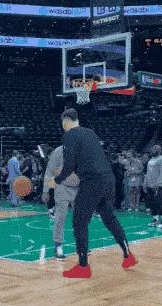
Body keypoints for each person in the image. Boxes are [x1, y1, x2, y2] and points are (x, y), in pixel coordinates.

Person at [50, 108, 137, 278]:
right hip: (108, 179)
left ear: (65, 122)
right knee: (109, 218)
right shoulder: (91, 133)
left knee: (79, 221)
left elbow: (69, 165)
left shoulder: (69, 135)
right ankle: (128, 255)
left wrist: (57, 180)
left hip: (92, 181)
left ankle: (83, 267)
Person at [42, 145, 80, 261]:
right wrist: (46, 191)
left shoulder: (82, 150)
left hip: (78, 187)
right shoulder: (58, 151)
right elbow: (49, 172)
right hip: (62, 187)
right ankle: (58, 246)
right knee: (60, 217)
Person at [143, 144, 162, 228]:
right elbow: (147, 173)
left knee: (158, 203)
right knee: (152, 204)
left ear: (159, 151)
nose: (153, 150)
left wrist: (157, 184)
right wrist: (145, 183)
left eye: (155, 149)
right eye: (152, 149)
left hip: (160, 185)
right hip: (150, 185)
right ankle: (155, 220)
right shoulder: (151, 160)